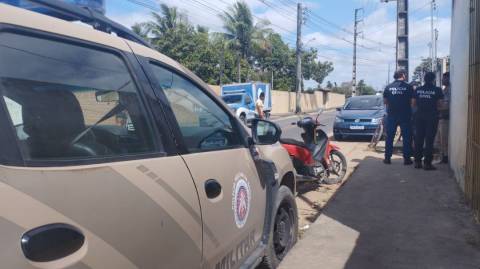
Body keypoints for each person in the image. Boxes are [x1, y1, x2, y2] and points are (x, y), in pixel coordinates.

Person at [413, 72, 444, 170]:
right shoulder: (437, 90)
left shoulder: (418, 90)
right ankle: (427, 164)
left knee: (419, 139)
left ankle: (417, 162)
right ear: (434, 80)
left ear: (424, 79)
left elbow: (413, 104)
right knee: (429, 140)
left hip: (419, 117)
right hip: (432, 117)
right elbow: (440, 105)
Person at [383, 70, 414, 165]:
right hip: (405, 115)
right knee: (407, 137)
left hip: (392, 115)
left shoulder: (388, 87)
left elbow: (385, 101)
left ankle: (387, 158)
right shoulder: (408, 87)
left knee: (390, 137)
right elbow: (412, 102)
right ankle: (407, 159)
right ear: (403, 75)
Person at [438, 72, 450, 164]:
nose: (442, 80)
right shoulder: (445, 89)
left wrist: (436, 107)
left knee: (443, 139)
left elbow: (446, 105)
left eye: (444, 78)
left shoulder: (448, 90)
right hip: (442, 118)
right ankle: (443, 156)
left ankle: (444, 157)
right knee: (440, 140)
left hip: (445, 118)